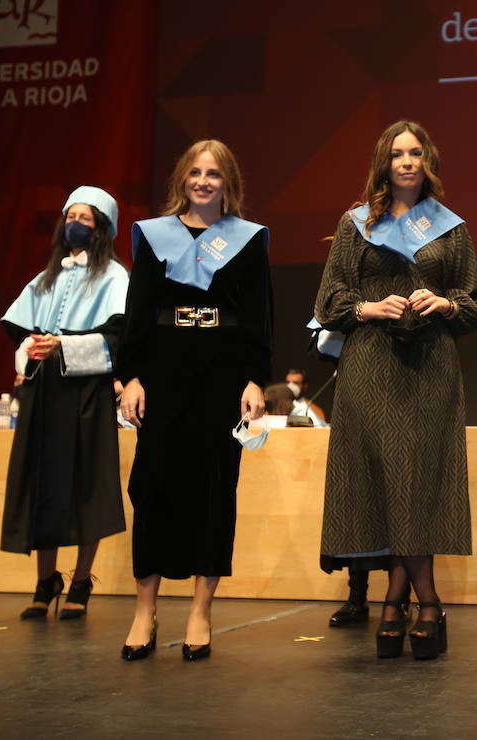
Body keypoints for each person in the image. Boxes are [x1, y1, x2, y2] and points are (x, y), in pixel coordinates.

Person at [315, 119, 477, 660]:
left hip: (429, 366)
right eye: (396, 154)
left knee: (418, 479)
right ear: (383, 163)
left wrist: (446, 303)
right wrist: (367, 307)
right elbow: (330, 297)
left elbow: (472, 299)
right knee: (384, 480)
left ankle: (399, 598)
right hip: (369, 363)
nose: (406, 162)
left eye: (415, 153)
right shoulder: (357, 223)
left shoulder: (450, 228)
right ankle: (422, 602)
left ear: (427, 160)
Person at [117, 140, 273, 661]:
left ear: (228, 182)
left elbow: (258, 316)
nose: (203, 181)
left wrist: (253, 379)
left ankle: (201, 611)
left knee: (214, 487)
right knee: (152, 484)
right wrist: (132, 376)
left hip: (222, 372)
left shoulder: (246, 241)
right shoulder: (152, 236)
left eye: (214, 174)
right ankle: (145, 610)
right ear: (182, 178)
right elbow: (137, 310)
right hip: (162, 369)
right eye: (195, 173)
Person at [0, 186, 130, 620]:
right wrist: (32, 350)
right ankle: (44, 579)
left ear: (101, 229)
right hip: (44, 394)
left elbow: (119, 338)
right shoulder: (45, 278)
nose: (76, 223)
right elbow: (19, 331)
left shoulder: (114, 278)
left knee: (87, 485)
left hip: (86, 394)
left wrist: (66, 347)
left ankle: (80, 581)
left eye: (86, 218)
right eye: (70, 215)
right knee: (43, 484)